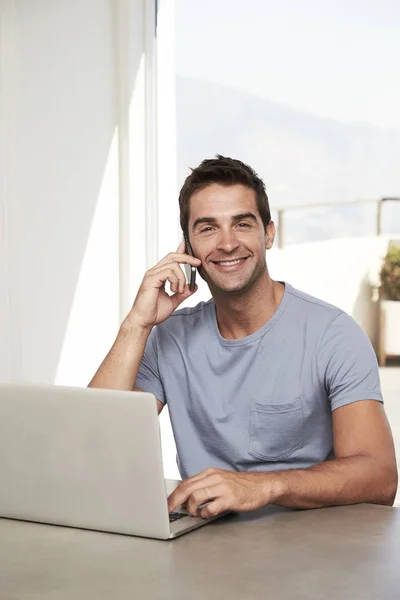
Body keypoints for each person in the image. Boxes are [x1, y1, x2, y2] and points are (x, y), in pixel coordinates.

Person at [89, 155, 398, 519]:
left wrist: (264, 486)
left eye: (242, 224)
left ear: (268, 233)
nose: (227, 243)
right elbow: (94, 444)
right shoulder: (168, 338)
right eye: (207, 228)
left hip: (310, 551)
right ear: (187, 248)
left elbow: (379, 478)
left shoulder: (332, 335)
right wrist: (137, 324)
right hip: (202, 549)